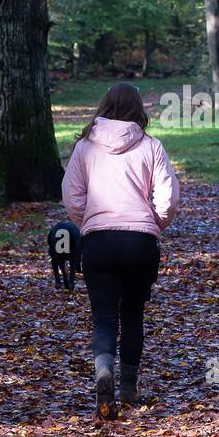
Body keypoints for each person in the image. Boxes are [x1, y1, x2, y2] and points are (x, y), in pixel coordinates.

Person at [62, 83, 179, 419]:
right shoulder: (151, 146)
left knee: (103, 316)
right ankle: (128, 387)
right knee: (132, 314)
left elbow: (72, 196)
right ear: (138, 109)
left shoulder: (85, 147)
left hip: (99, 242)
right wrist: (153, 223)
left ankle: (103, 372)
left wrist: (88, 222)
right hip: (139, 243)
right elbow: (167, 198)